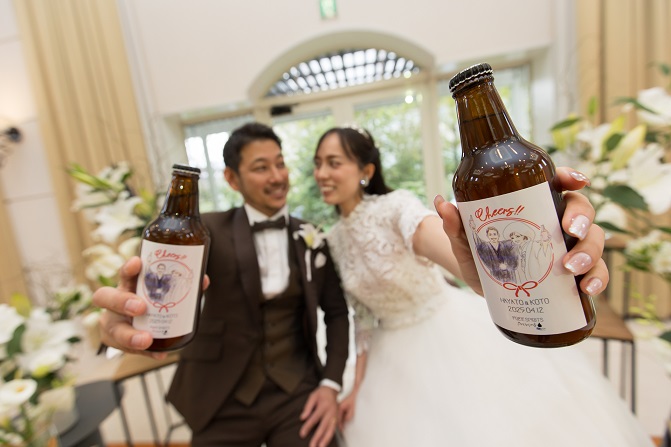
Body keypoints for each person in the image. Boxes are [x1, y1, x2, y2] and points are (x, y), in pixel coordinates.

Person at [312, 126, 654, 447]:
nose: (322, 173)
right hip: (386, 356)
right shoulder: (333, 239)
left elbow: (447, 250)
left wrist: (499, 267)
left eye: (333, 163)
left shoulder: (394, 208)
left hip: (445, 334)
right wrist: (356, 386)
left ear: (366, 171)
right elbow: (363, 318)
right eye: (317, 164)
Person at [93, 123, 350, 447]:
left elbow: (337, 314)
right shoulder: (205, 231)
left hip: (297, 394)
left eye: (280, 163)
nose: (277, 176)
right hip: (222, 396)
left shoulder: (312, 237)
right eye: (261, 167)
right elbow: (156, 277)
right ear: (231, 179)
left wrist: (330, 384)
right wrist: (126, 314)